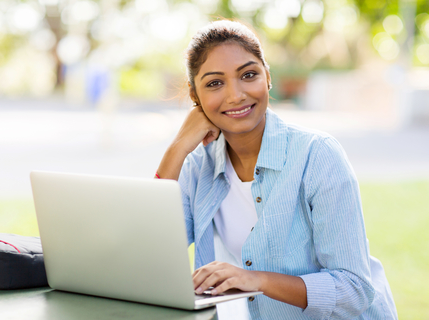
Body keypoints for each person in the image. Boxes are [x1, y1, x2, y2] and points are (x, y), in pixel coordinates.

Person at [156, 20, 397, 319]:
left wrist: (256, 282)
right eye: (215, 83)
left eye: (248, 75)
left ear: (267, 77)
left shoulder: (316, 155)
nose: (236, 95)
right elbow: (150, 253)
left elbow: (354, 289)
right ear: (195, 97)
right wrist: (177, 147)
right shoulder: (198, 165)